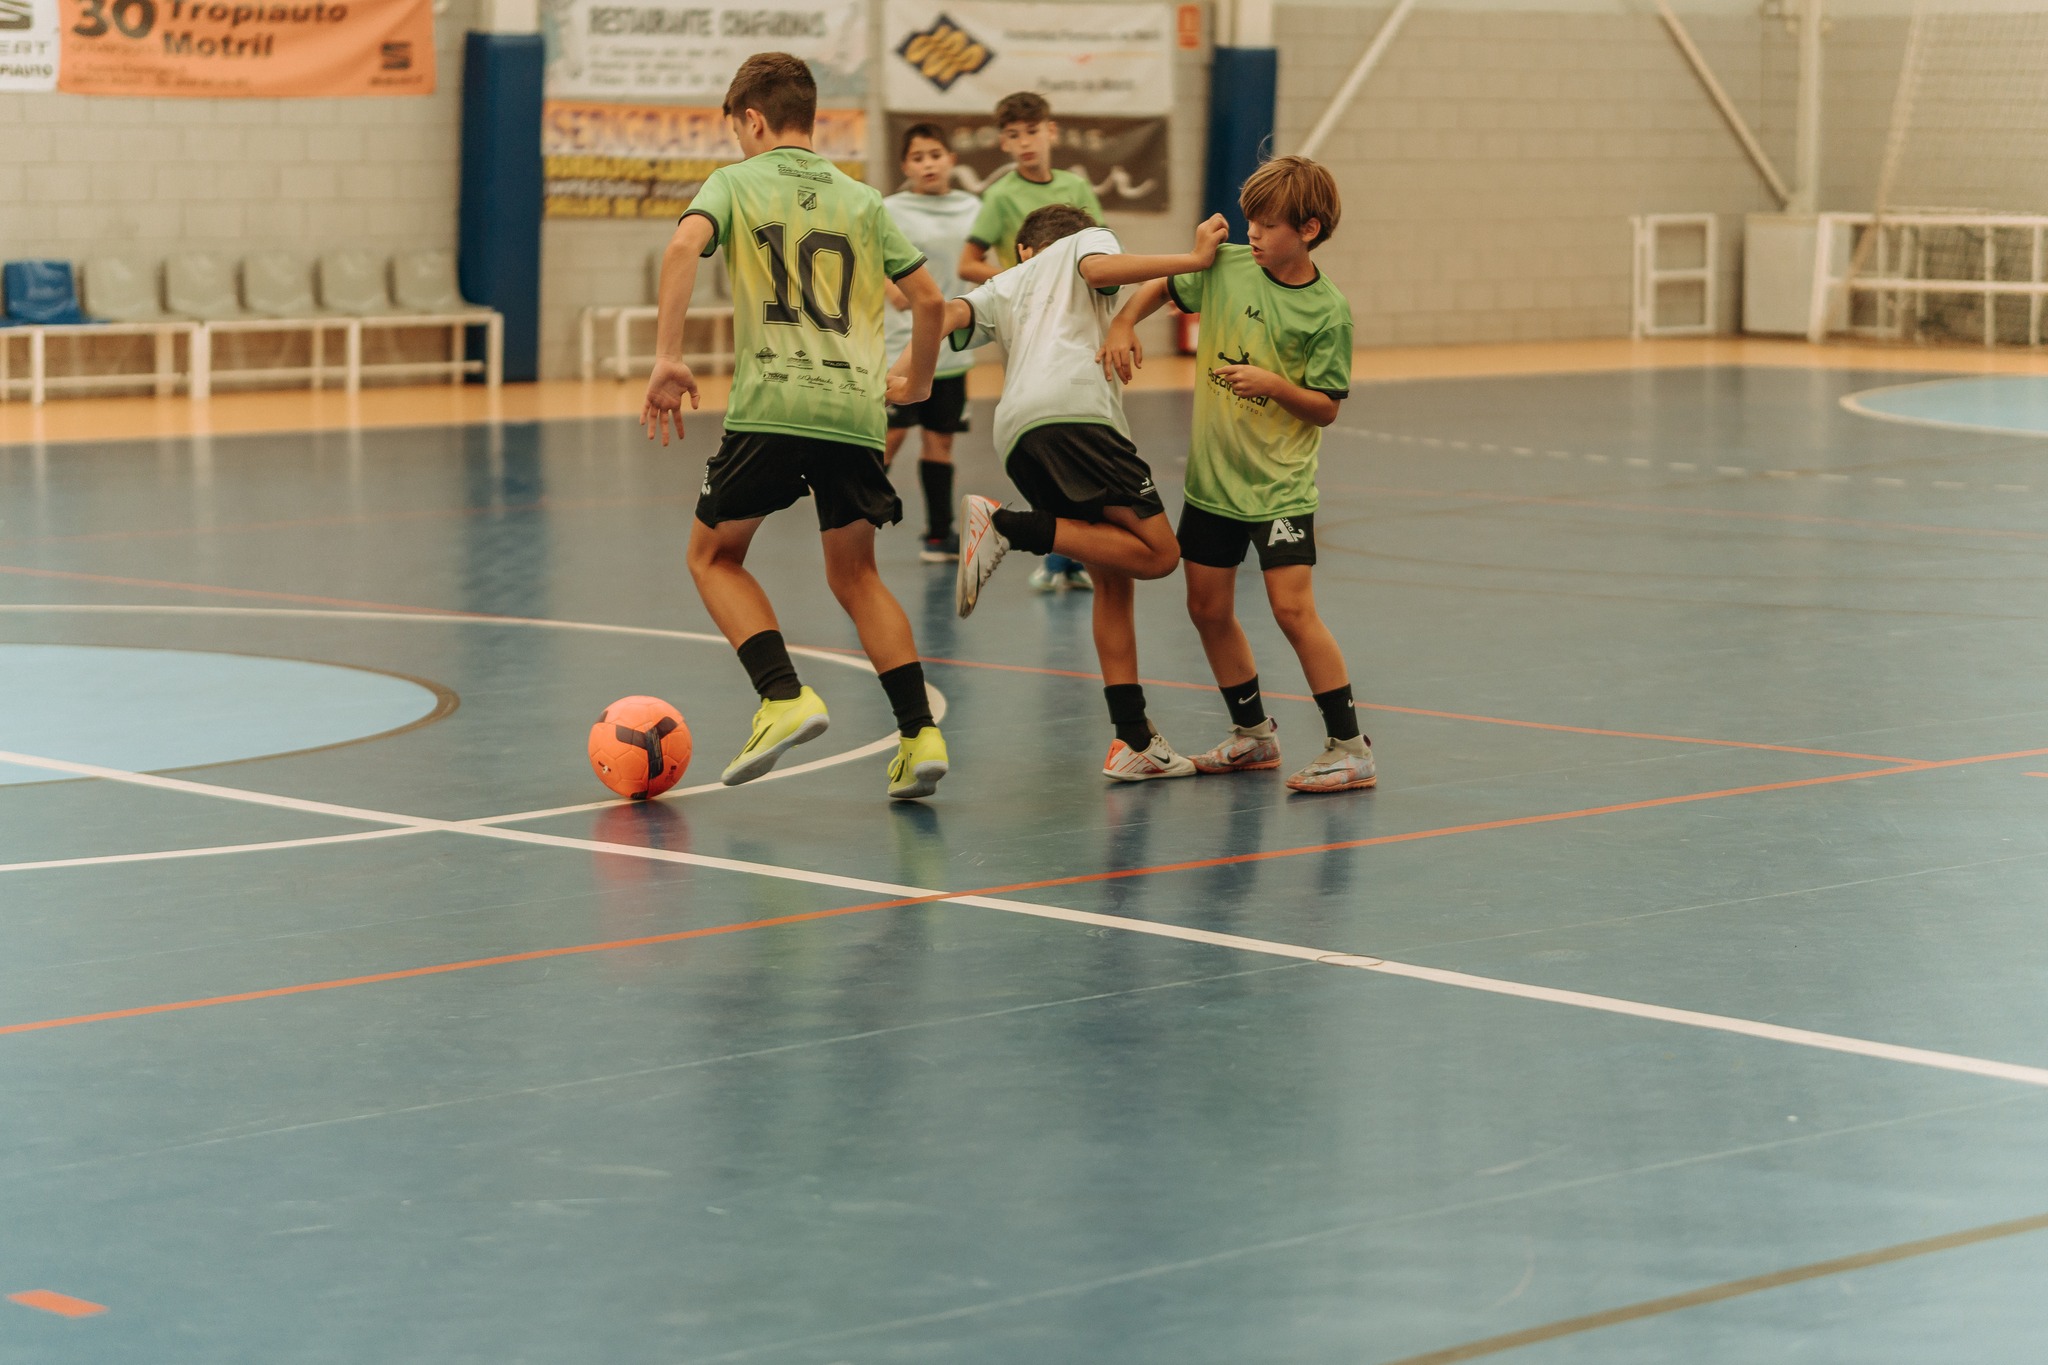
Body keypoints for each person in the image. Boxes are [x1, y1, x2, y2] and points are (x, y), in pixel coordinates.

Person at [641, 52, 952, 801]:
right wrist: (918, 375)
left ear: (751, 120)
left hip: (776, 403)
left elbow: (684, 244)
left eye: (736, 130)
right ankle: (921, 735)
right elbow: (933, 301)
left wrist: (668, 358)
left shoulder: (736, 183)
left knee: (712, 556)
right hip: (854, 410)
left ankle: (782, 696)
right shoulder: (865, 200)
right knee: (856, 574)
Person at [1099, 155, 1372, 793]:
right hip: (1213, 486)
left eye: (1267, 225)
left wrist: (1275, 385)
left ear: (1307, 229)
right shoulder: (1227, 267)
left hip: (1278, 487)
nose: (1252, 233)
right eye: (1250, 220)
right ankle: (1253, 736)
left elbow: (1326, 407)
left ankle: (1351, 746)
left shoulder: (1328, 312)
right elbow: (1165, 285)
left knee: (1292, 610)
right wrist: (1121, 322)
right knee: (1207, 607)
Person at [932, 203, 1229, 781]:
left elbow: (944, 313)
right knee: (1160, 554)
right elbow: (1097, 272)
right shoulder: (1082, 242)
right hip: (1075, 416)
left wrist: (902, 369)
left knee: (1112, 582)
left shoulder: (1004, 282)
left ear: (1021, 249)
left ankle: (1133, 740)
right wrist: (1193, 259)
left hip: (1018, 434)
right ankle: (1004, 527)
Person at [958, 90, 1105, 595]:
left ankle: (1073, 553)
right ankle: (1052, 549)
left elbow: (1100, 248)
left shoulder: (1076, 185)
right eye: (1014, 135)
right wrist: (1023, 278)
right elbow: (967, 262)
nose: (1025, 143)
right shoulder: (1000, 197)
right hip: (1027, 330)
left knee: (1081, 428)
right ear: (1003, 142)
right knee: (1047, 441)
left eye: (1032, 131)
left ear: (1052, 132)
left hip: (1077, 326)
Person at [881, 121, 982, 563]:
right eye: (918, 157)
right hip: (899, 345)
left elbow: (978, 262)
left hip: (952, 350)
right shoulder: (888, 208)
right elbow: (869, 259)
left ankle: (940, 536)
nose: (928, 164)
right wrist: (896, 293)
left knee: (939, 443)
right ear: (906, 165)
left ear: (951, 161)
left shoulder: (974, 208)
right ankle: (852, 521)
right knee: (889, 437)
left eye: (935, 155)